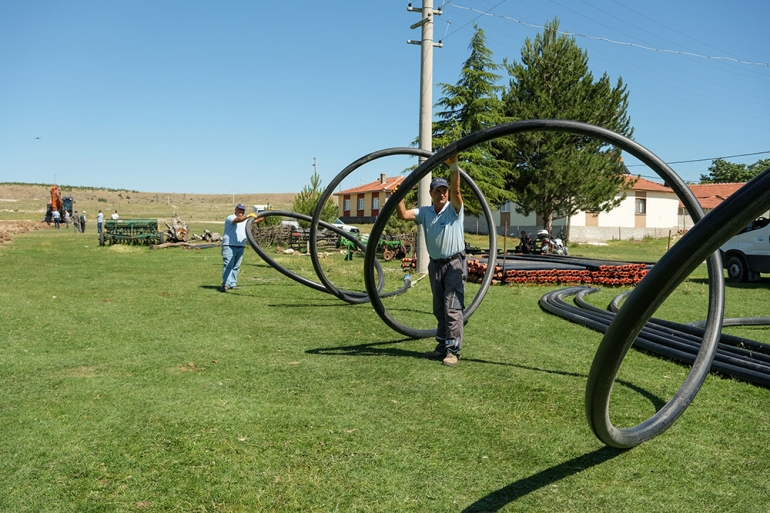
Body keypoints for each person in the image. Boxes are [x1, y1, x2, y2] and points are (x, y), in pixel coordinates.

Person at [396, 155, 466, 366]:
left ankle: (453, 351)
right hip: (435, 265)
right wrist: (399, 194)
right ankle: (441, 347)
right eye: (438, 190)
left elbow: (457, 191)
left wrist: (454, 167)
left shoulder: (453, 210)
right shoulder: (425, 212)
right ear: (431, 193)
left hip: (454, 264)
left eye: (444, 190)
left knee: (452, 307)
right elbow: (403, 215)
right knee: (439, 308)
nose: (442, 193)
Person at [221, 203, 262, 292]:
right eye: (239, 209)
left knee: (236, 266)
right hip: (229, 245)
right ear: (235, 209)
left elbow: (257, 220)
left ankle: (232, 284)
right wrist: (247, 216)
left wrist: (267, 212)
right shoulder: (230, 217)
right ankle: (225, 284)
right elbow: (237, 220)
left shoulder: (245, 220)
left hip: (240, 245)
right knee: (229, 265)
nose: (241, 211)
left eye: (242, 210)